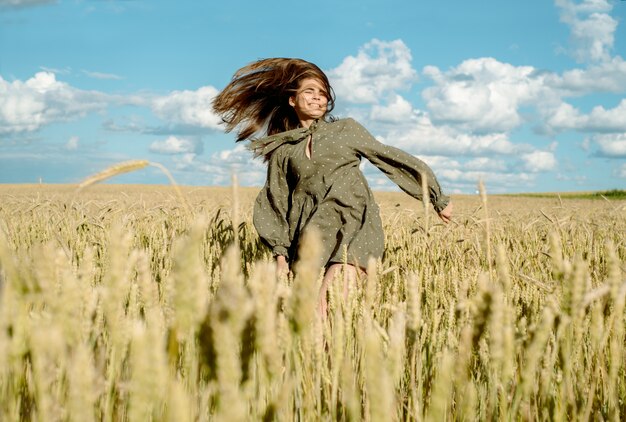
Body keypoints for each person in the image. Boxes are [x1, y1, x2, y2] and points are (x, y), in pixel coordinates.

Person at [212, 58, 452, 313]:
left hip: (355, 226)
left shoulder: (346, 130)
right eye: (309, 91)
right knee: (313, 316)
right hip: (311, 236)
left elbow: (390, 157)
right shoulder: (284, 150)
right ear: (292, 100)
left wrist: (436, 197)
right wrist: (279, 254)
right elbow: (276, 200)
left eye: (323, 93)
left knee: (330, 301)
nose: (318, 98)